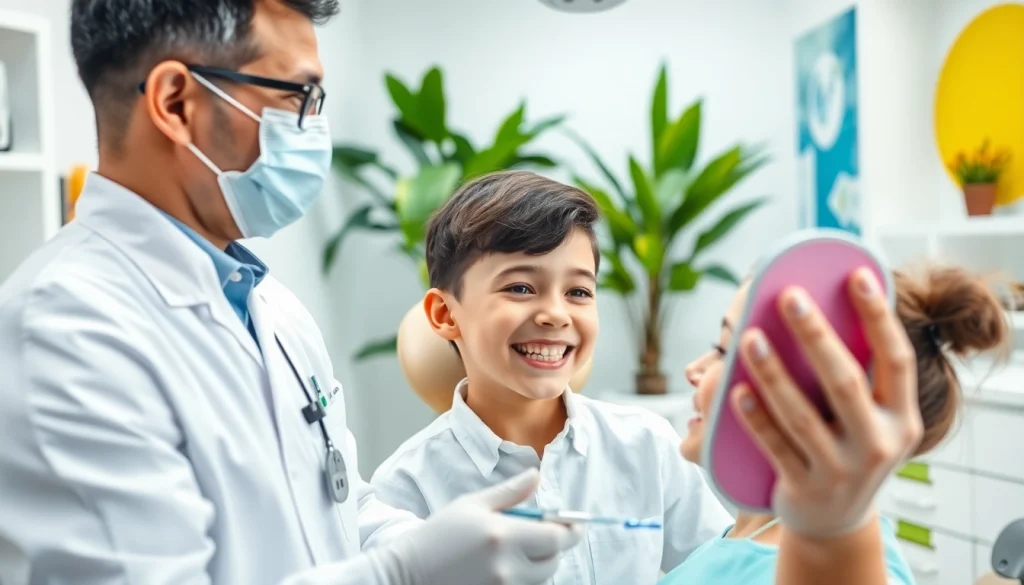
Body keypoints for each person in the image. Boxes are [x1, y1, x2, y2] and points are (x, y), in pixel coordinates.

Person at [0, 2, 584, 584]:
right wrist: (401, 574)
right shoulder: (67, 330)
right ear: (177, 103)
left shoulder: (269, 305)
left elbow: (338, 504)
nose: (312, 130)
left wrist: (424, 542)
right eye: (296, 98)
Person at [370, 170, 734, 584]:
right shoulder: (406, 487)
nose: (556, 314)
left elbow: (725, 571)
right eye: (521, 288)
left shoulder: (647, 446)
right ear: (445, 314)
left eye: (578, 292)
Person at [660, 265, 1010, 585]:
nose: (693, 370)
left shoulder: (826, 564)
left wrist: (834, 530)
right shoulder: (742, 539)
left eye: (723, 351)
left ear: (811, 395)